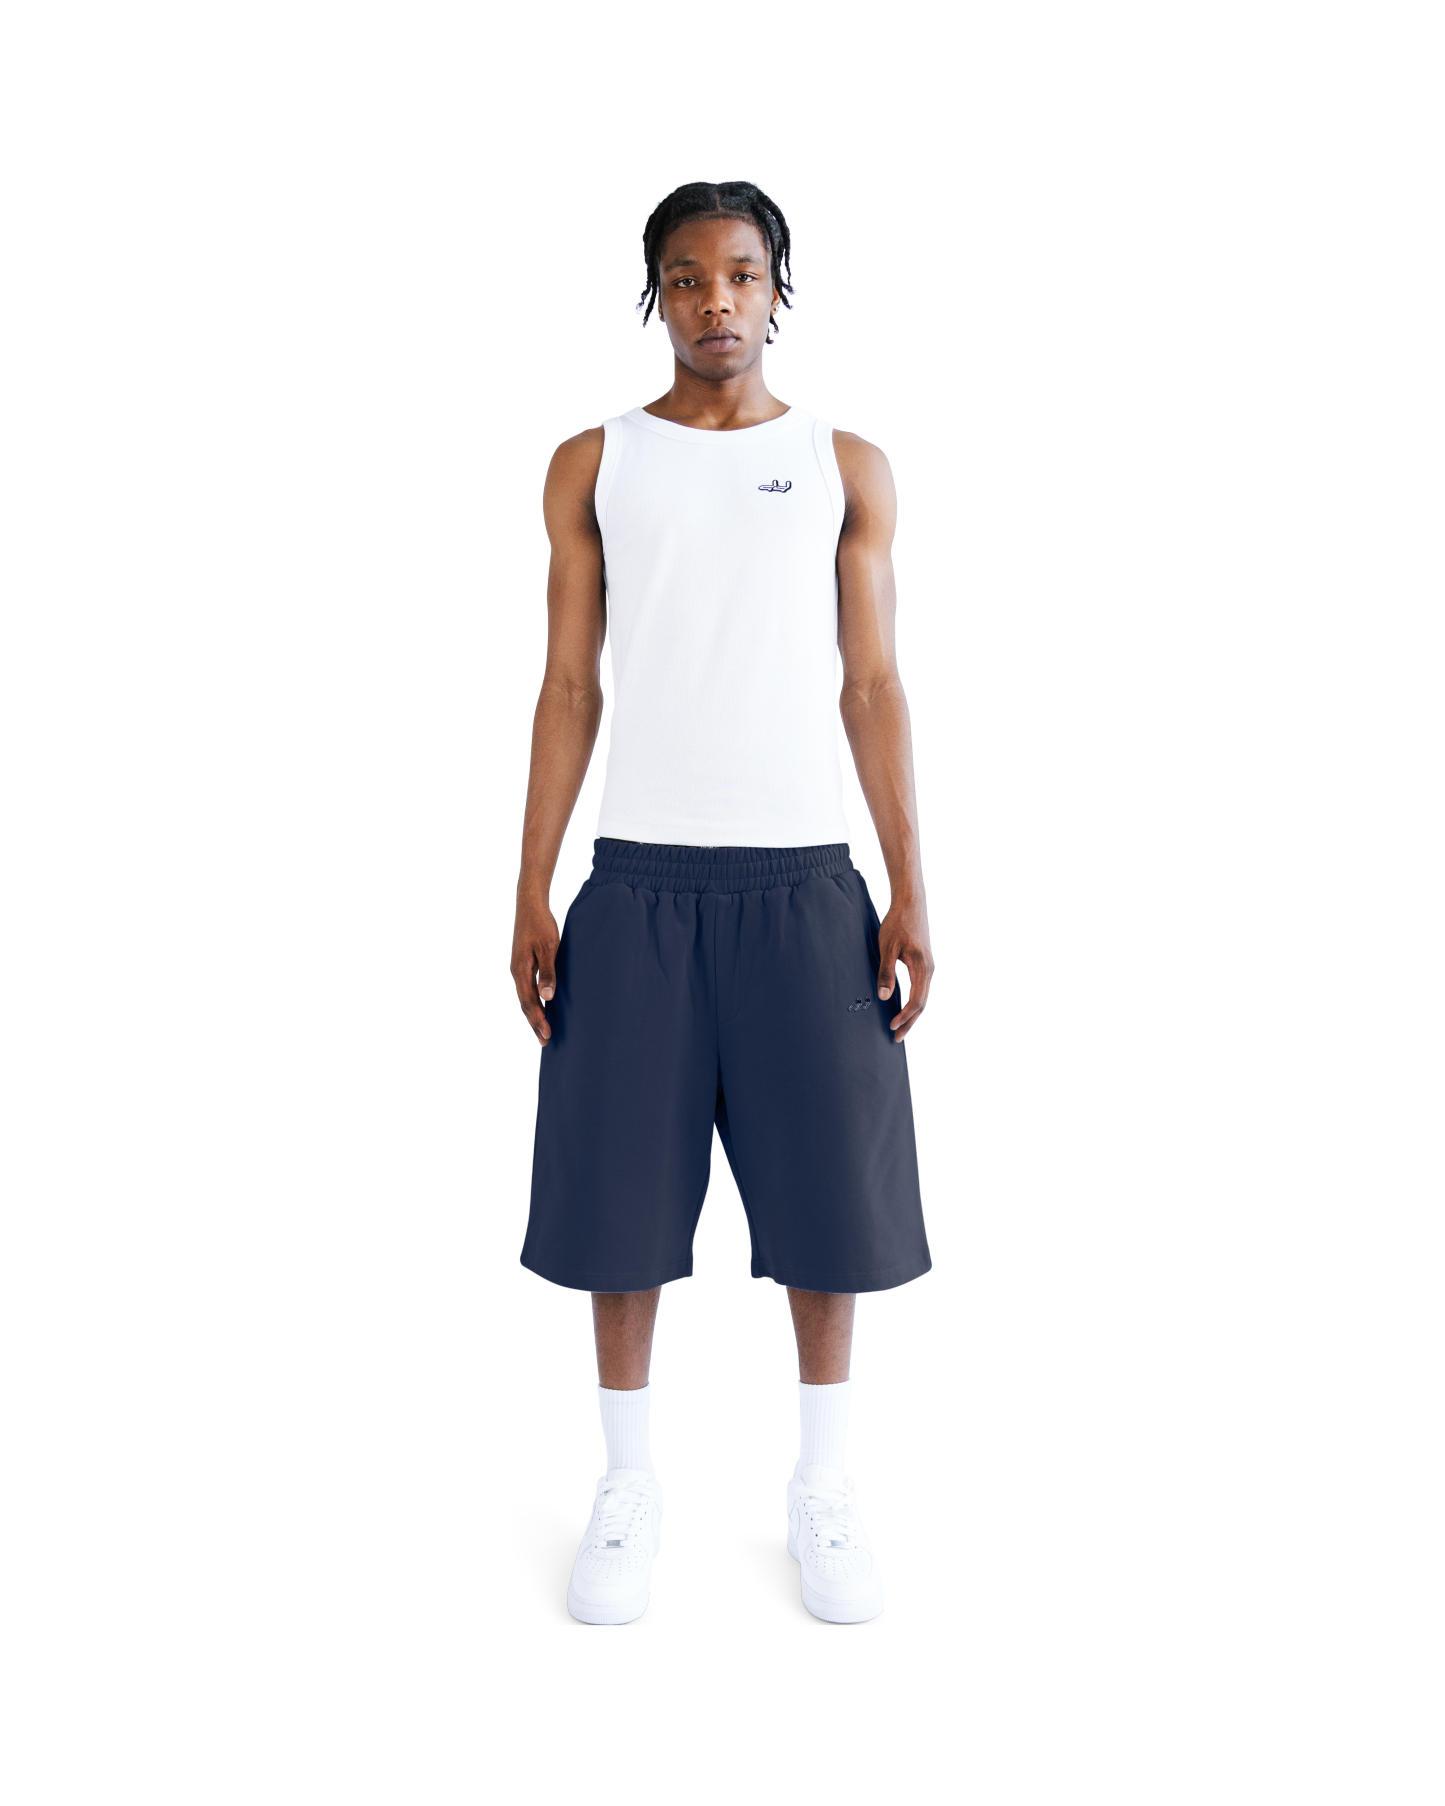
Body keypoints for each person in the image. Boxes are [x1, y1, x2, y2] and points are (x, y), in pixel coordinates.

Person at [512, 181, 933, 1625]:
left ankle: (828, 1483)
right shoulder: (594, 463)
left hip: (807, 875)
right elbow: (569, 684)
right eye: (686, 277)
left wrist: (907, 883)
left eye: (742, 275)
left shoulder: (842, 465)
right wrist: (534, 884)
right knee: (615, 1197)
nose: (716, 301)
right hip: (636, 874)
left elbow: (871, 684)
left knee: (835, 1197)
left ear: (779, 291)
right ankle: (624, 1494)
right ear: (655, 296)